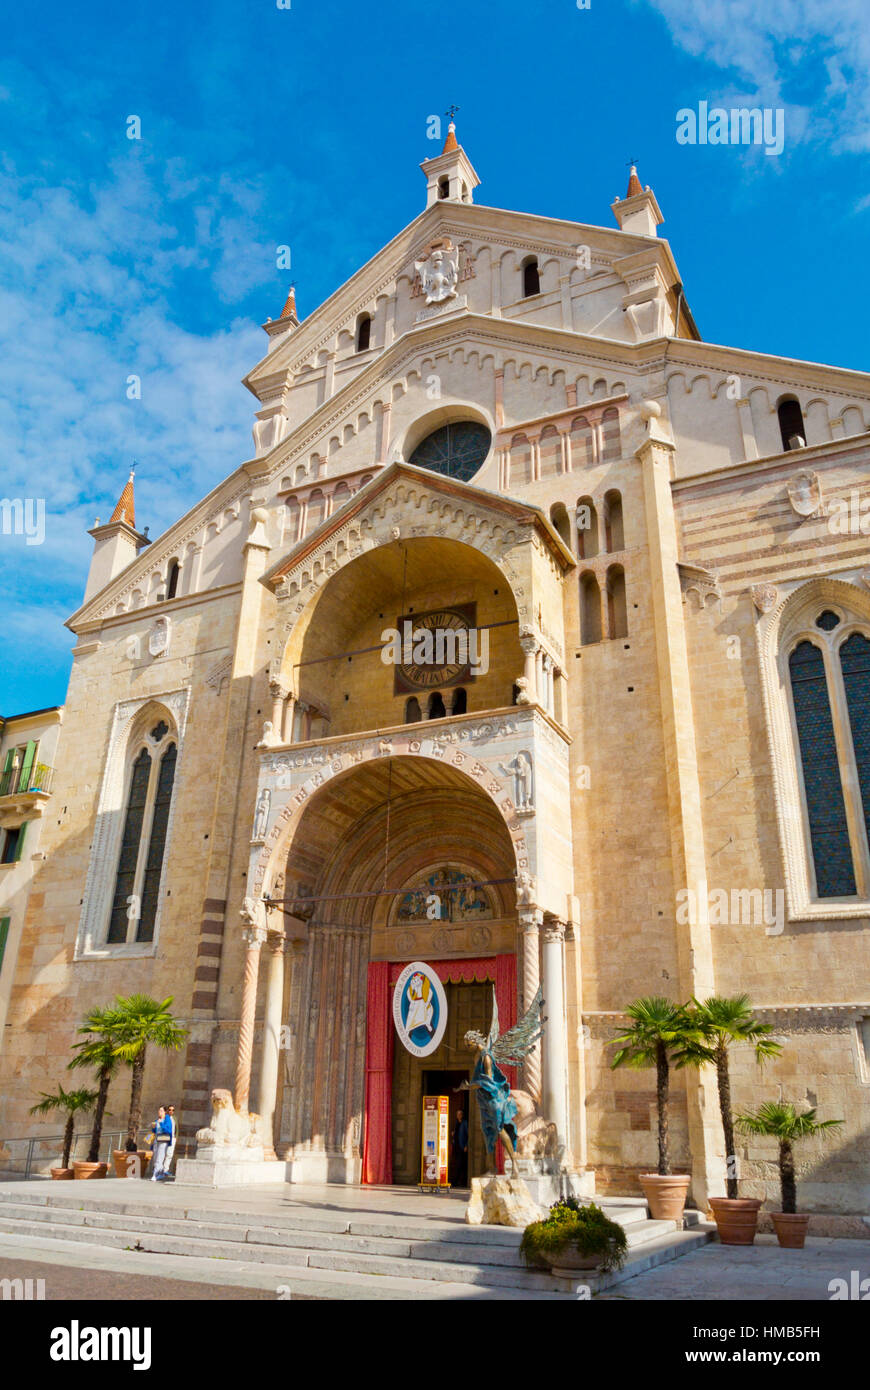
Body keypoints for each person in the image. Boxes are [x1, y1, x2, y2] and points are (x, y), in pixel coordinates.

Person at [149, 1105, 172, 1182]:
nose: (159, 1112)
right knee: (155, 1158)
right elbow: (155, 1131)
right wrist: (153, 1127)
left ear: (165, 1112)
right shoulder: (157, 1120)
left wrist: (161, 1124)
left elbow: (168, 1130)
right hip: (157, 1140)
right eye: (159, 1110)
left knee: (160, 1158)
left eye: (161, 1111)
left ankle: (155, 1175)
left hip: (163, 1140)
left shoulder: (167, 1119)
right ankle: (160, 1173)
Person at [451, 1107, 469, 1188]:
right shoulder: (456, 1123)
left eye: (460, 1114)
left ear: (462, 1115)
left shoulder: (465, 1123)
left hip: (462, 1147)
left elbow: (468, 1134)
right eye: (457, 1114)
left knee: (461, 1164)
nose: (458, 1115)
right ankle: (456, 1181)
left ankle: (458, 1181)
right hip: (456, 1146)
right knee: (456, 1163)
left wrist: (466, 1145)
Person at [161, 1105, 178, 1181]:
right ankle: (160, 1170)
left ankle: (165, 1170)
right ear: (167, 1110)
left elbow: (177, 1128)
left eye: (173, 1110)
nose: (171, 1111)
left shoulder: (175, 1118)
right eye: (170, 1110)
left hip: (173, 1138)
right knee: (163, 1153)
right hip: (166, 1137)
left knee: (170, 1154)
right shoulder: (165, 1117)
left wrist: (176, 1137)